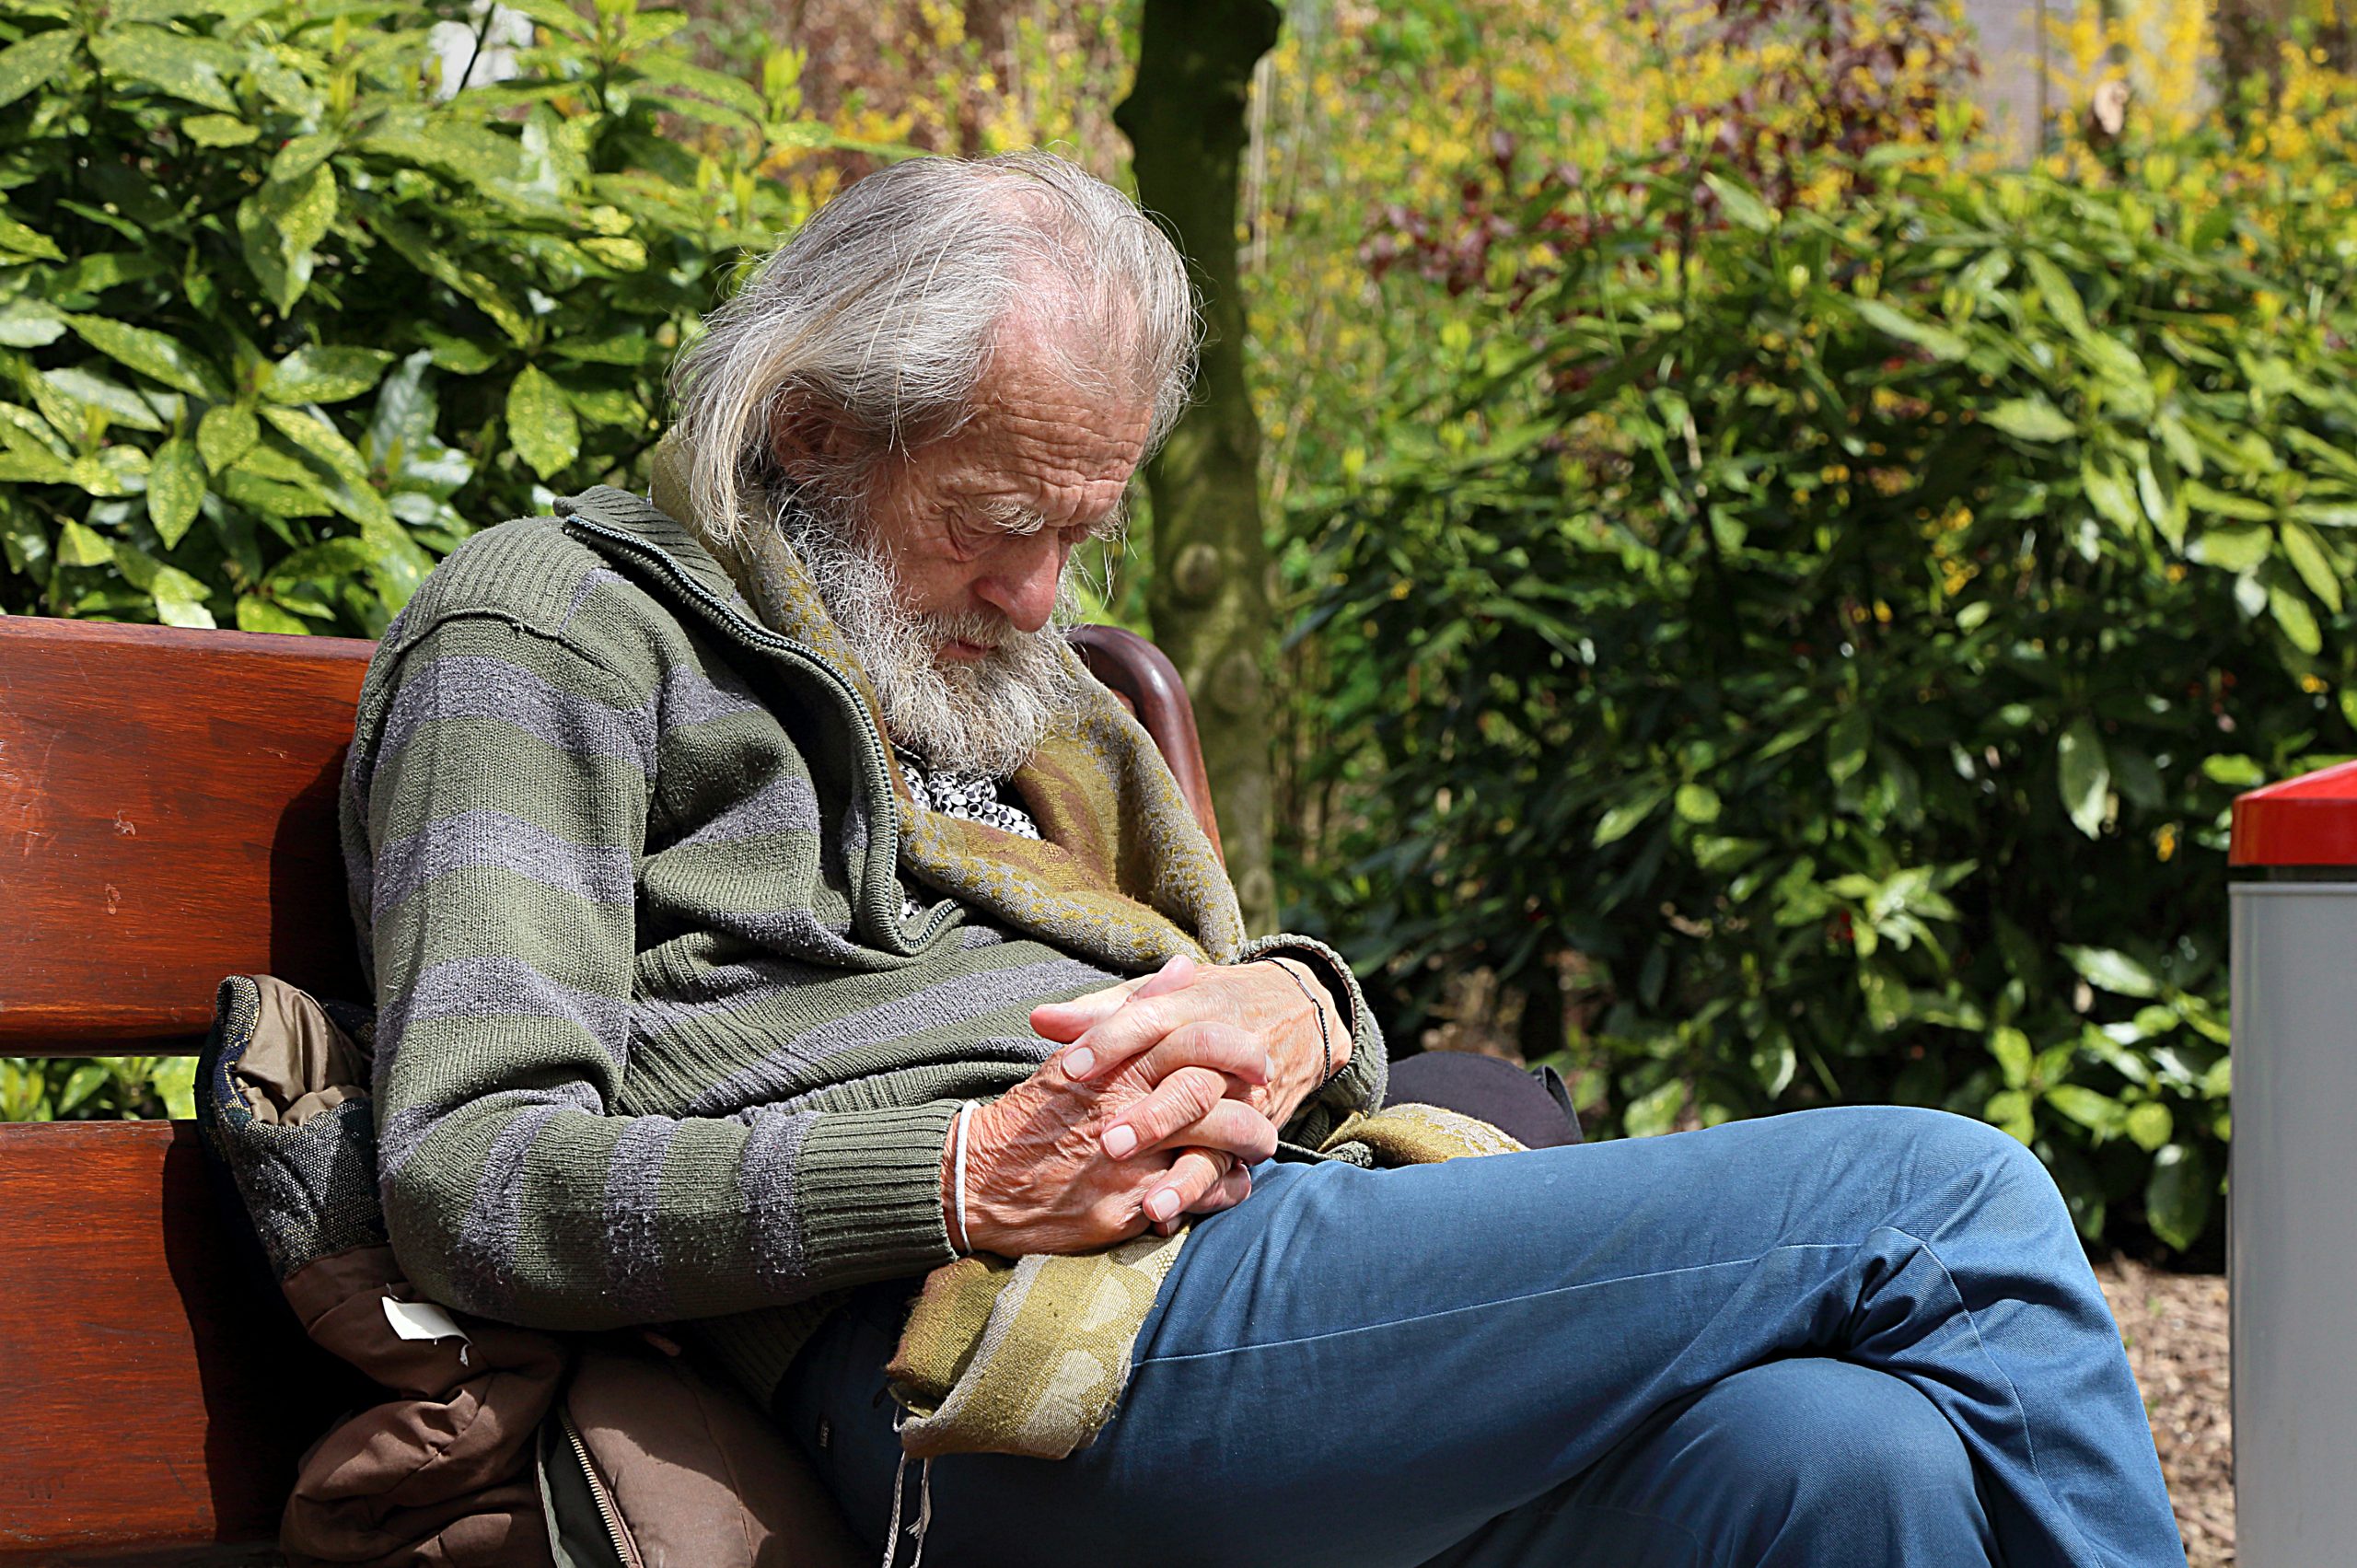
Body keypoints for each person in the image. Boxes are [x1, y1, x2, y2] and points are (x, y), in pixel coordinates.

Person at [340, 149, 2189, 1567]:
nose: (1038, 597)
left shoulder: (1011, 689)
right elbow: (470, 1173)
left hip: (1252, 1261)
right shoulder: (556, 630)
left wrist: (1293, 1015)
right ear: (811, 428)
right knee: (1937, 1200)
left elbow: (1214, 981)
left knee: (1835, 1467)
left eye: (1081, 529)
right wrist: (966, 1169)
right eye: (994, 521)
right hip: (970, 1365)